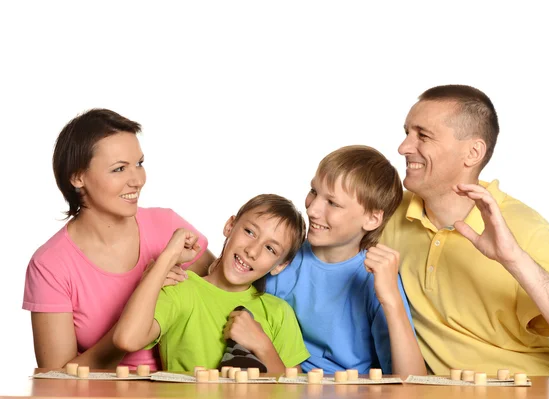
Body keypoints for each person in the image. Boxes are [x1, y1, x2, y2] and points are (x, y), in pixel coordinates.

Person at [381, 84, 549, 376]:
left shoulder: (525, 228)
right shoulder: (389, 213)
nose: (404, 147)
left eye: (423, 135)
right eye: (407, 132)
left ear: (472, 152)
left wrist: (513, 259)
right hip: (441, 391)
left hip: (527, 388)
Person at [22, 109, 215, 371]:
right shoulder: (50, 265)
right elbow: (57, 379)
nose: (137, 180)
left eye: (139, 164)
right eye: (119, 169)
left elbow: (227, 289)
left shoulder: (168, 227)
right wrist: (146, 292)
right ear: (78, 177)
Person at [266, 145, 426, 378]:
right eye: (313, 191)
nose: (312, 209)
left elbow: (412, 383)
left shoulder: (376, 277)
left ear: (372, 219)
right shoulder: (284, 254)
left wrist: (390, 299)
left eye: (332, 203)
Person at [113, 194, 310, 373]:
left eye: (270, 248)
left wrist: (263, 346)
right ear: (230, 226)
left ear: (280, 266)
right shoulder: (181, 288)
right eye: (250, 232)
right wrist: (167, 258)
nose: (252, 251)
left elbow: (293, 389)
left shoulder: (279, 312)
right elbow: (127, 339)